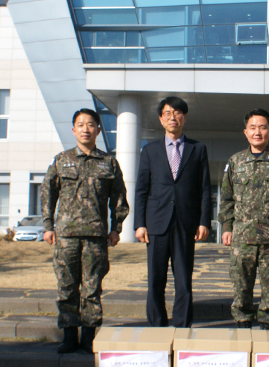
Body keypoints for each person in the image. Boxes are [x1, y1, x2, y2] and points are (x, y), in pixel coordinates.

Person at [42, 108, 129, 354]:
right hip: (66, 236)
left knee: (92, 288)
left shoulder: (108, 162)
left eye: (90, 124)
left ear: (98, 130)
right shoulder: (62, 160)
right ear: (73, 130)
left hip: (96, 237)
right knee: (67, 287)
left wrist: (116, 229)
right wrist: (48, 226)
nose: (85, 129)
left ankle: (89, 336)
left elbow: (119, 197)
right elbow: (48, 194)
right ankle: (69, 335)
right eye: (80, 124)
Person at [135, 96, 211, 328]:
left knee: (183, 280)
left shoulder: (198, 149)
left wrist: (204, 220)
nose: (172, 117)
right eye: (167, 113)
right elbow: (141, 189)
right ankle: (157, 324)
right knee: (156, 280)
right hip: (156, 223)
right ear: (161, 119)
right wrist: (140, 223)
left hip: (185, 223)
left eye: (177, 112)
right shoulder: (150, 150)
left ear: (184, 117)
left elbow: (204, 188)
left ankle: (182, 324)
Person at [218, 109, 269, 329]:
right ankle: (243, 328)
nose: (258, 132)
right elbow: (226, 197)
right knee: (241, 287)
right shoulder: (235, 161)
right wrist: (227, 226)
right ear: (245, 132)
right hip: (242, 237)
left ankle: (267, 328)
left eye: (262, 127)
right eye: (253, 128)